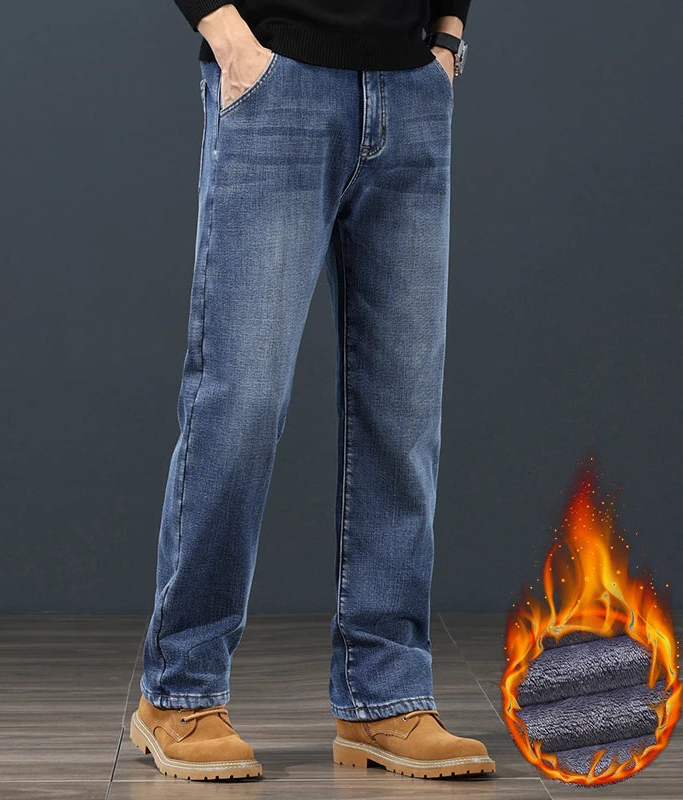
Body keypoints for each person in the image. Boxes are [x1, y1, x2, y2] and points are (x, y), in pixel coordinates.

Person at [129, 0, 496, 781]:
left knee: (402, 414)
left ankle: (385, 696)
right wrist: (227, 35)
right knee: (242, 399)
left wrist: (448, 38)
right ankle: (180, 691)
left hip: (411, 87)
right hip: (276, 78)